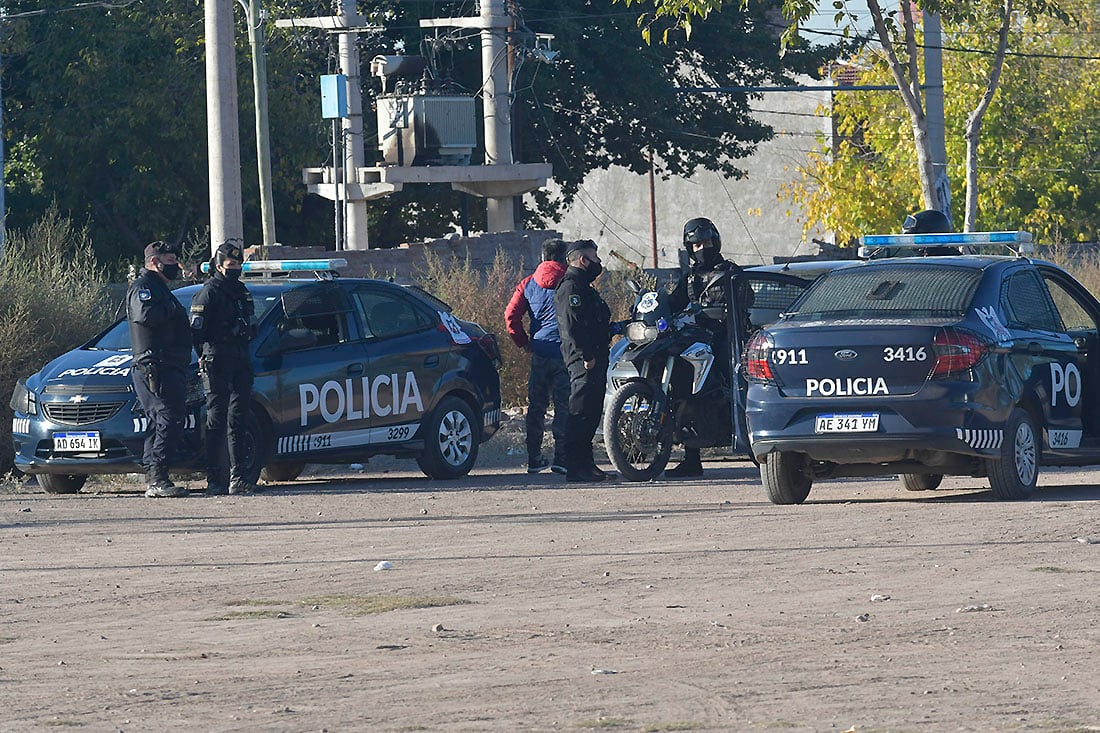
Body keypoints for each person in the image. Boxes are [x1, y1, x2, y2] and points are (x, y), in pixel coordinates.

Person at [666, 217, 742, 479]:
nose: (702, 248)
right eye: (696, 244)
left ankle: (744, 436)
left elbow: (745, 300)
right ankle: (691, 456)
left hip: (724, 337)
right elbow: (673, 303)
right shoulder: (688, 278)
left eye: (707, 242)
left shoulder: (730, 271)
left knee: (729, 381)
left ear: (716, 241)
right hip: (695, 340)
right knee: (686, 392)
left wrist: (721, 313)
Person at [190, 241, 257, 495]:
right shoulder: (209, 293)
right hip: (217, 359)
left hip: (240, 359)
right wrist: (205, 354)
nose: (235, 268)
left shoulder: (240, 291)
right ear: (218, 266)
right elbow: (197, 332)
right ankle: (214, 479)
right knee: (216, 419)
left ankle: (238, 477)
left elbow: (250, 320)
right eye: (231, 265)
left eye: (238, 264)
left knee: (238, 418)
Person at [127, 241, 191, 498]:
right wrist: (173, 308)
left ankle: (155, 476)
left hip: (168, 364)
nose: (175, 264)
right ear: (155, 262)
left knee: (161, 420)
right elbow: (145, 315)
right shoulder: (144, 288)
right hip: (155, 366)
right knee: (168, 418)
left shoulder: (159, 287)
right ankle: (157, 477)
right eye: (170, 260)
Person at [504, 238, 570, 475]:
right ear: (564, 257)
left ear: (542, 258)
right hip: (565, 353)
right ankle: (562, 458)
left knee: (536, 407)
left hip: (540, 351)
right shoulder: (570, 281)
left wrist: (524, 343)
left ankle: (534, 458)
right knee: (564, 406)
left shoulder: (528, 283)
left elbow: (510, 316)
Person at [555, 239, 613, 483]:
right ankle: (576, 467)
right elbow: (572, 327)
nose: (599, 263)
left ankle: (586, 464)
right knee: (580, 411)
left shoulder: (583, 286)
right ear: (583, 260)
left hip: (595, 356)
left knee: (590, 412)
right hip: (584, 360)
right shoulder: (571, 288)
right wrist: (587, 356)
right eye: (595, 258)